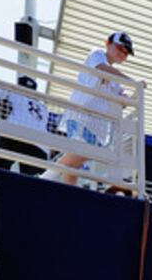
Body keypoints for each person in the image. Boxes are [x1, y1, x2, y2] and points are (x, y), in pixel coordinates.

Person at [53, 31, 136, 187]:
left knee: (75, 163)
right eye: (120, 48)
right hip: (81, 117)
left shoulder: (116, 81)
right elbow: (102, 69)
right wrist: (132, 82)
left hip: (97, 127)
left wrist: (134, 95)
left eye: (126, 53)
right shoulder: (97, 54)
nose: (122, 54)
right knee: (77, 155)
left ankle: (58, 183)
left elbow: (123, 100)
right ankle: (48, 177)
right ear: (108, 44)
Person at [0, 75, 49, 176]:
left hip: (15, 134)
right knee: (34, 184)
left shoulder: (13, 92)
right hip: (40, 144)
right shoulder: (43, 108)